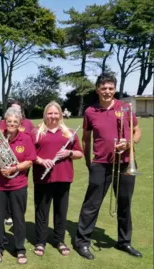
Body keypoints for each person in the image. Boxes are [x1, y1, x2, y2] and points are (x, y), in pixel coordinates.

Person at [75, 73, 143, 260]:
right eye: (103, 88)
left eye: (111, 88)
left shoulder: (126, 108)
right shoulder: (90, 111)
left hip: (126, 163)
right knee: (91, 205)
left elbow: (137, 130)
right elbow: (86, 139)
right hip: (100, 164)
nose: (107, 91)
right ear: (98, 89)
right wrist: (89, 163)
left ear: (115, 89)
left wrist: (129, 143)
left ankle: (124, 242)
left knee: (124, 204)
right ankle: (82, 242)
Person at [32, 101, 83, 257]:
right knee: (42, 211)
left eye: (56, 113)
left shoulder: (69, 132)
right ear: (45, 114)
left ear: (60, 114)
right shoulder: (36, 132)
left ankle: (59, 240)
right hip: (43, 177)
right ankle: (40, 241)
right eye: (50, 113)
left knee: (61, 211)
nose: (53, 116)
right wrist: (41, 161)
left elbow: (79, 154)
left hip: (63, 176)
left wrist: (68, 153)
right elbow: (30, 155)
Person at [0, 107, 36, 265]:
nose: (12, 123)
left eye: (15, 121)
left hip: (18, 184)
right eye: (9, 121)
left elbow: (30, 161)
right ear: (5, 122)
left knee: (18, 217)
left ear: (20, 123)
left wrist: (14, 168)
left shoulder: (26, 138)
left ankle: (20, 249)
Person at [0, 100, 35, 226]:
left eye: (18, 109)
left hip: (21, 162)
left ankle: (14, 215)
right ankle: (7, 214)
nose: (15, 112)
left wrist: (15, 167)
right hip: (4, 169)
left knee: (17, 191)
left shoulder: (28, 124)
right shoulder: (2, 127)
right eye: (12, 109)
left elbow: (31, 145)